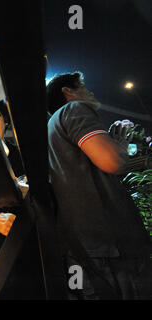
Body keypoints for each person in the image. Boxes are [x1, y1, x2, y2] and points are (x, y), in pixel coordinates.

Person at [46, 71, 152, 299]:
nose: (90, 92)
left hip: (81, 247)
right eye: (83, 86)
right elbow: (111, 161)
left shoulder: (51, 128)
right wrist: (121, 145)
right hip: (113, 244)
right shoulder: (73, 110)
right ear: (68, 92)